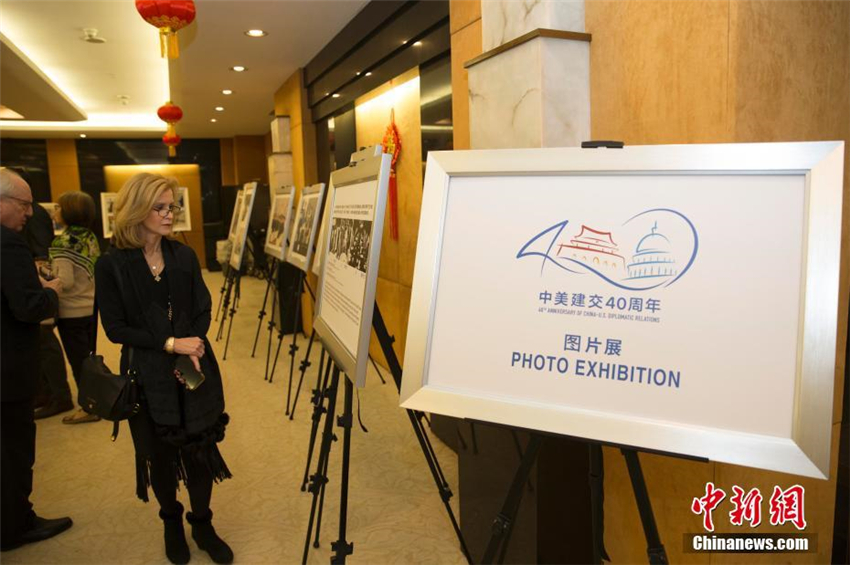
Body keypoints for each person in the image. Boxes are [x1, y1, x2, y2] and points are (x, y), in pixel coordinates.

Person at [95, 173, 233, 565]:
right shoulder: (112, 265)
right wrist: (171, 343)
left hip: (192, 365)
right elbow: (116, 328)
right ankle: (171, 521)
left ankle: (202, 523)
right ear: (136, 210)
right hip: (146, 372)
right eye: (160, 207)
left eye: (172, 206)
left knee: (200, 448)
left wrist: (193, 343)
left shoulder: (183, 256)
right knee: (159, 454)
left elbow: (203, 306)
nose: (170, 214)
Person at [0, 168, 73, 552]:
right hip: (9, 370)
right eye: (24, 204)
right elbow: (29, 308)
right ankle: (15, 524)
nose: (29, 213)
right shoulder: (9, 244)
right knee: (13, 450)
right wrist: (50, 291)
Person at [48, 191, 101, 424]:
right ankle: (97, 400)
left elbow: (65, 282)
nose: (54, 211)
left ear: (70, 211)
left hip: (71, 311)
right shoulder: (90, 236)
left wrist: (44, 274)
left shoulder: (63, 241)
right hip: (90, 306)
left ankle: (89, 407)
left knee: (78, 361)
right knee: (87, 358)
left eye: (58, 207)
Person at [23, 200, 74, 418]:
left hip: (40, 280)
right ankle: (45, 392)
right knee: (39, 343)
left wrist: (42, 276)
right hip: (37, 280)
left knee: (45, 341)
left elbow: (42, 251)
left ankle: (59, 395)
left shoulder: (31, 212)